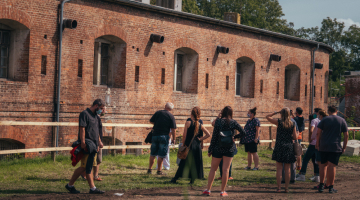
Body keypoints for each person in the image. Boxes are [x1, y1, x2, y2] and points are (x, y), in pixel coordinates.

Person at [203, 106, 246, 197]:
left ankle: (208, 189)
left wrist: (210, 149)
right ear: (231, 113)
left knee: (213, 169)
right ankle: (222, 191)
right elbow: (243, 132)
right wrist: (235, 137)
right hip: (229, 148)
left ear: (222, 112)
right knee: (226, 170)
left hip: (218, 147)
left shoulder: (218, 122)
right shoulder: (233, 122)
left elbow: (214, 136)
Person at [65, 99, 105, 194]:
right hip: (87, 145)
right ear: (96, 106)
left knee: (89, 167)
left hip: (94, 145)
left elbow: (96, 131)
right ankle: (70, 185)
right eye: (100, 108)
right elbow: (82, 128)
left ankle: (92, 188)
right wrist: (83, 142)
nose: (101, 111)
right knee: (84, 167)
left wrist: (99, 142)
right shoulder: (84, 114)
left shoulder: (96, 116)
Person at [170, 107, 210, 184]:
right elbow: (208, 134)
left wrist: (183, 144)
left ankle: (175, 178)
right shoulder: (200, 124)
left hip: (189, 145)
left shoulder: (188, 122)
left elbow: (184, 135)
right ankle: (192, 180)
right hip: (196, 146)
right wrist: (200, 139)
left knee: (183, 162)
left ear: (191, 114)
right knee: (195, 162)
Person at [316, 106, 349, 193]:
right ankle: (331, 187)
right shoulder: (342, 120)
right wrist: (344, 146)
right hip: (335, 146)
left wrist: (317, 144)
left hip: (324, 146)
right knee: (332, 166)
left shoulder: (324, 119)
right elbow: (346, 135)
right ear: (337, 111)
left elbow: (318, 133)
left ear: (329, 111)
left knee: (323, 165)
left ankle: (321, 186)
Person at [266, 108, 297, 193]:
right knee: (288, 169)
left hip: (279, 146)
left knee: (279, 168)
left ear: (281, 114)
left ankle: (279, 188)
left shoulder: (279, 122)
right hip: (289, 146)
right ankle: (286, 188)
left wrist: (276, 112)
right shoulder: (293, 123)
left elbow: (267, 117)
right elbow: (295, 137)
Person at [148, 102, 176, 175]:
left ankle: (149, 170)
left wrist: (157, 124)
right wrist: (174, 139)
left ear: (165, 106)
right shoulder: (171, 116)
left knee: (153, 154)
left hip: (155, 135)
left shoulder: (158, 113)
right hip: (164, 136)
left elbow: (151, 121)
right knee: (161, 154)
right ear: (171, 109)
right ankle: (159, 171)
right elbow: (173, 129)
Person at [296, 108, 322, 182]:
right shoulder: (321, 121)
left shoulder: (314, 120)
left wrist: (310, 138)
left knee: (305, 159)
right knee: (315, 160)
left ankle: (302, 175)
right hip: (319, 143)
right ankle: (317, 176)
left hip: (313, 142)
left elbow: (311, 130)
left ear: (316, 113)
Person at [211, 111, 233, 180]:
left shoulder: (228, 122)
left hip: (225, 142)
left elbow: (213, 123)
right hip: (223, 143)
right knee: (222, 161)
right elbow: (213, 124)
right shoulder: (222, 121)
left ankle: (228, 175)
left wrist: (218, 117)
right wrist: (218, 117)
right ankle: (224, 175)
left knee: (226, 161)